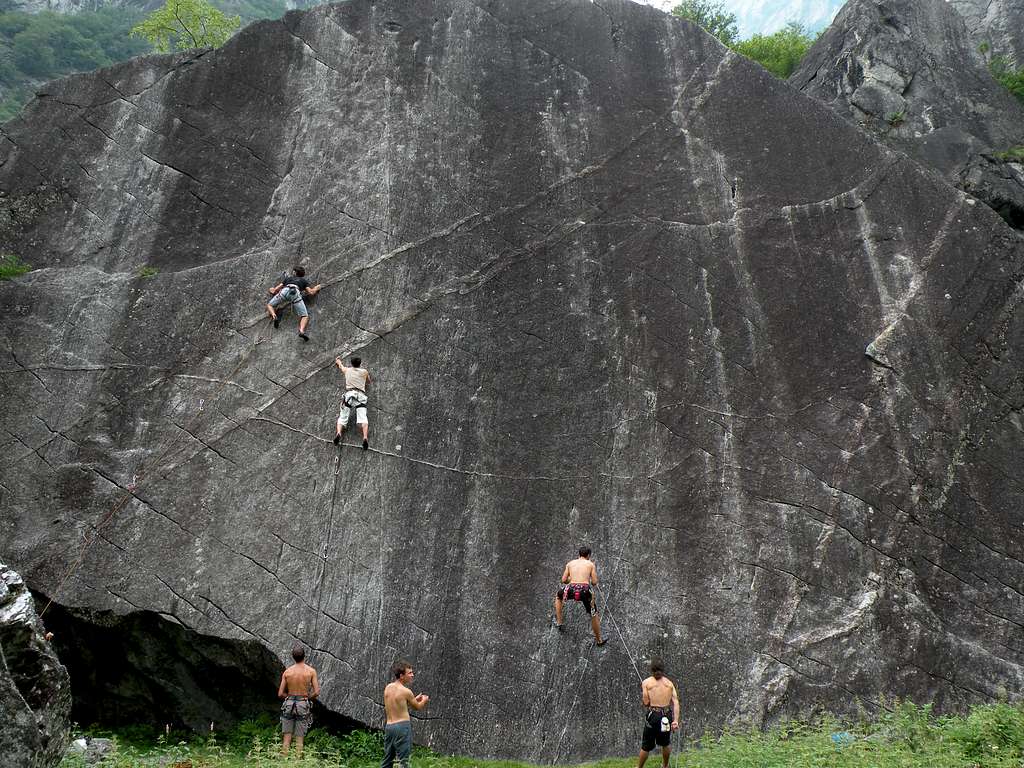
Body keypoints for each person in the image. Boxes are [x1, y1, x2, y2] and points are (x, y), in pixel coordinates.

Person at [381, 660, 429, 768]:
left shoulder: (388, 688)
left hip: (389, 727)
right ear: (401, 676)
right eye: (409, 673)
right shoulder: (406, 691)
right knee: (404, 760)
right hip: (402, 727)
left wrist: (413, 699)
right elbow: (417, 707)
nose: (412, 675)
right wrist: (424, 701)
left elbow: (396, 706)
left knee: (387, 760)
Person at [553, 546, 605, 645]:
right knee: (593, 613)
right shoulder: (590, 564)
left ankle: (559, 622)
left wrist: (572, 580)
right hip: (584, 591)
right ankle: (599, 640)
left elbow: (564, 580)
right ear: (588, 555)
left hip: (571, 589)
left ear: (579, 554)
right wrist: (587, 579)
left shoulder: (570, 563)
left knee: (558, 596)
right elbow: (594, 582)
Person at [637, 659, 680, 768]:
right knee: (665, 743)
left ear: (651, 670)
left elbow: (646, 703)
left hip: (654, 716)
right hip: (666, 716)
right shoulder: (669, 684)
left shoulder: (646, 682)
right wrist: (675, 721)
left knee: (646, 745)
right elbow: (675, 702)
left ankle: (639, 767)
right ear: (663, 670)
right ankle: (665, 766)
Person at [278, 644, 320, 757]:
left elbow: (280, 693)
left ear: (293, 657)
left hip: (289, 703)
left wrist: (289, 697)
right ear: (304, 656)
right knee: (299, 738)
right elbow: (316, 692)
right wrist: (307, 698)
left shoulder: (287, 672)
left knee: (287, 738)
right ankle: (297, 763)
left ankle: (283, 762)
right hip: (302, 704)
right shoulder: (311, 671)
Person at [267, 266, 322, 341]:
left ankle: (274, 315)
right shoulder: (303, 281)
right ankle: (301, 331)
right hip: (295, 293)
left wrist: (271, 289)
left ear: (294, 273)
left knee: (270, 305)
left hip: (285, 291)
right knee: (304, 316)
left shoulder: (288, 279)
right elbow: (311, 292)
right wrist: (317, 287)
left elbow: (275, 290)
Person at [334, 356, 371, 450]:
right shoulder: (364, 372)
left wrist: (338, 362)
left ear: (351, 363)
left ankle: (338, 433)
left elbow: (341, 367)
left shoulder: (347, 370)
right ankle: (365, 437)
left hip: (349, 394)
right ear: (360, 363)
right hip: (360, 396)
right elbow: (369, 382)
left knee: (342, 417)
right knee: (363, 418)